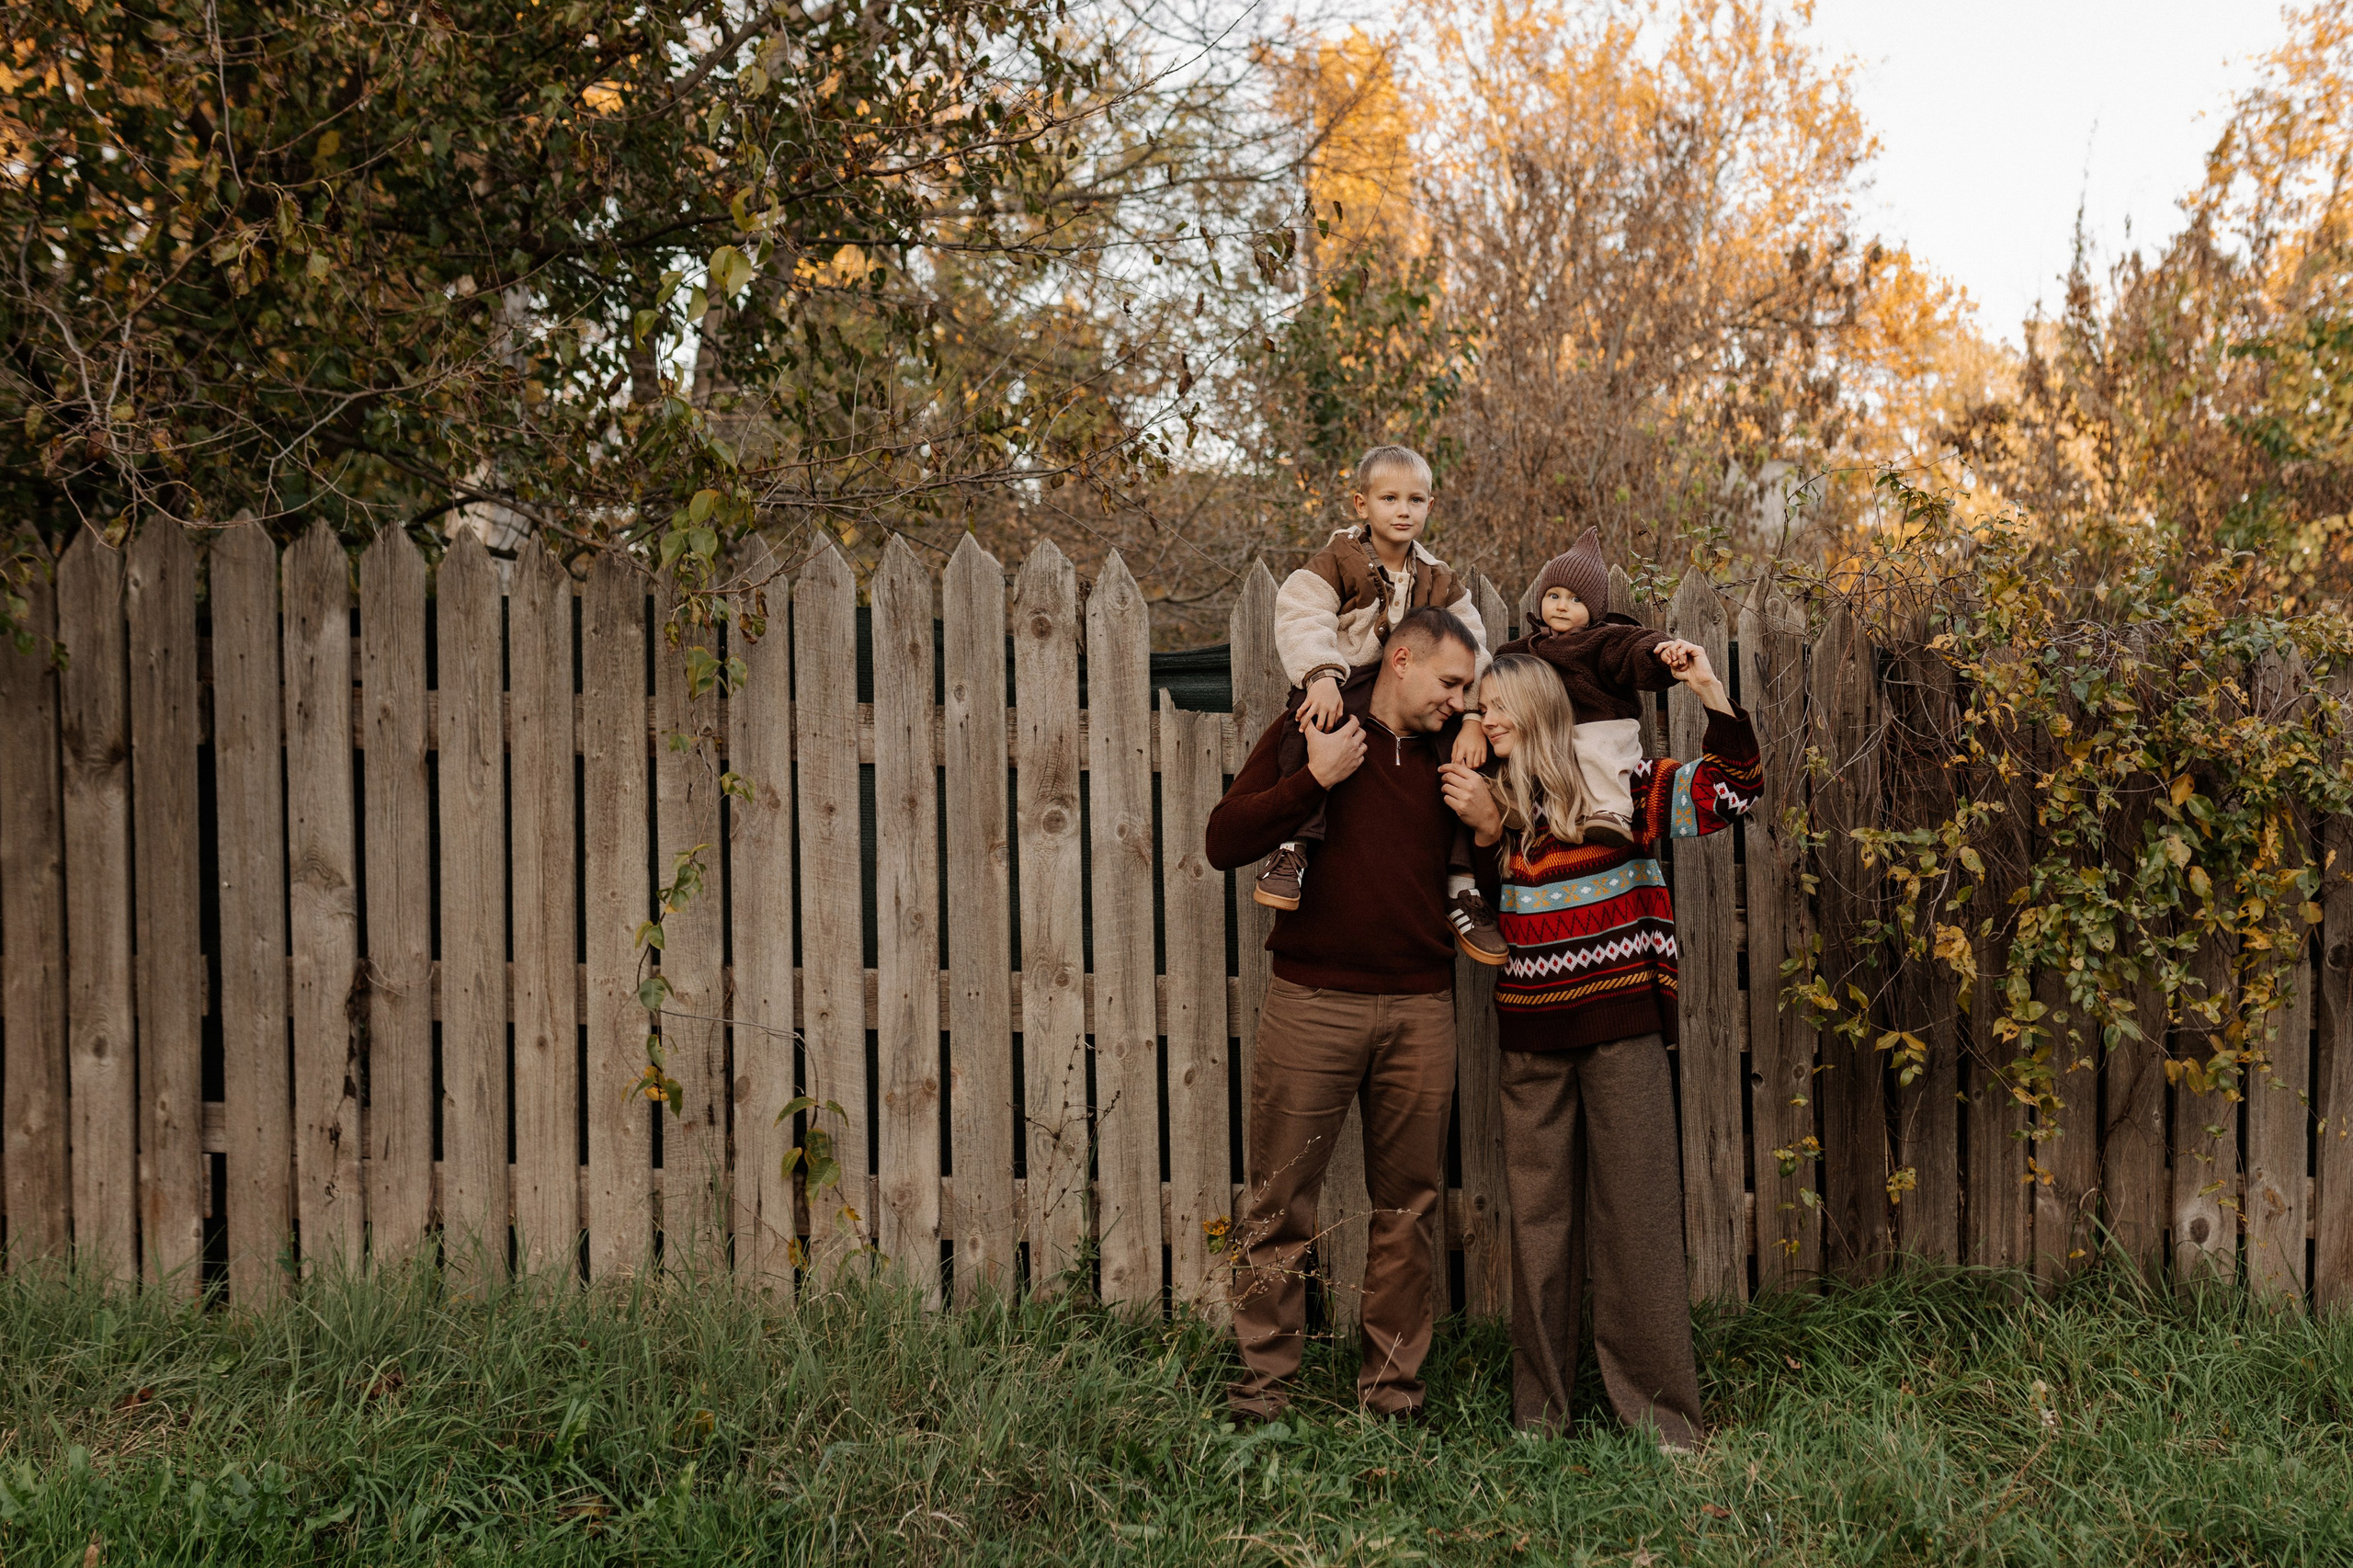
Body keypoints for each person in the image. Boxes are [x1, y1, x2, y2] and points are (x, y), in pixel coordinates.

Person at [1439, 646, 1762, 1450]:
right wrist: (1483, 833)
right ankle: (1539, 1421)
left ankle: (1662, 1424)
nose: (1487, 717)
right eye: (1480, 707)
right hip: (1530, 1038)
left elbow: (1734, 793)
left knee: (1639, 1225)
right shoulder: (1493, 803)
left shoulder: (1625, 785)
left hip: (1623, 1032)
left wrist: (1712, 694)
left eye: (1499, 703)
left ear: (1542, 707)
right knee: (1540, 1231)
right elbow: (1471, 905)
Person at [1206, 605, 1483, 1422]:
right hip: (1312, 1001)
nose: (1460, 702)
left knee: (1409, 1211)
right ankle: (1263, 1392)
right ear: (1400, 659)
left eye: (1468, 689)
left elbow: (1487, 888)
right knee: (1278, 1206)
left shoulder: (1454, 755)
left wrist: (1493, 823)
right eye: (1450, 683)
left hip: (1422, 1008)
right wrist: (1314, 780)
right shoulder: (1313, 725)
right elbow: (1224, 839)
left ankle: (1392, 1397)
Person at [1260, 446, 1504, 964]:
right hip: (1345, 685)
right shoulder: (1338, 560)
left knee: (1464, 762)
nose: (1403, 510)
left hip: (1413, 697)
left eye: (1415, 499)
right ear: (1360, 503)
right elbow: (1302, 614)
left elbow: (1474, 647)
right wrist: (1321, 676)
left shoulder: (1438, 578)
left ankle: (1461, 884)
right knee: (1306, 724)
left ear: (1430, 506)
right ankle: (1293, 849)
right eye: (1389, 498)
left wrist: (1476, 717)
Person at [1492, 528, 1683, 846]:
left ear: (1593, 609)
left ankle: (1612, 813)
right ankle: (1513, 796)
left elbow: (1635, 647)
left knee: (1592, 745)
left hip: (1605, 730)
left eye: (1575, 599)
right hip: (1557, 734)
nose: (1562, 606)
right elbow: (1504, 663)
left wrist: (1660, 654)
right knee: (1519, 739)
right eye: (1554, 596)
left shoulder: (1603, 641)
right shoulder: (1529, 647)